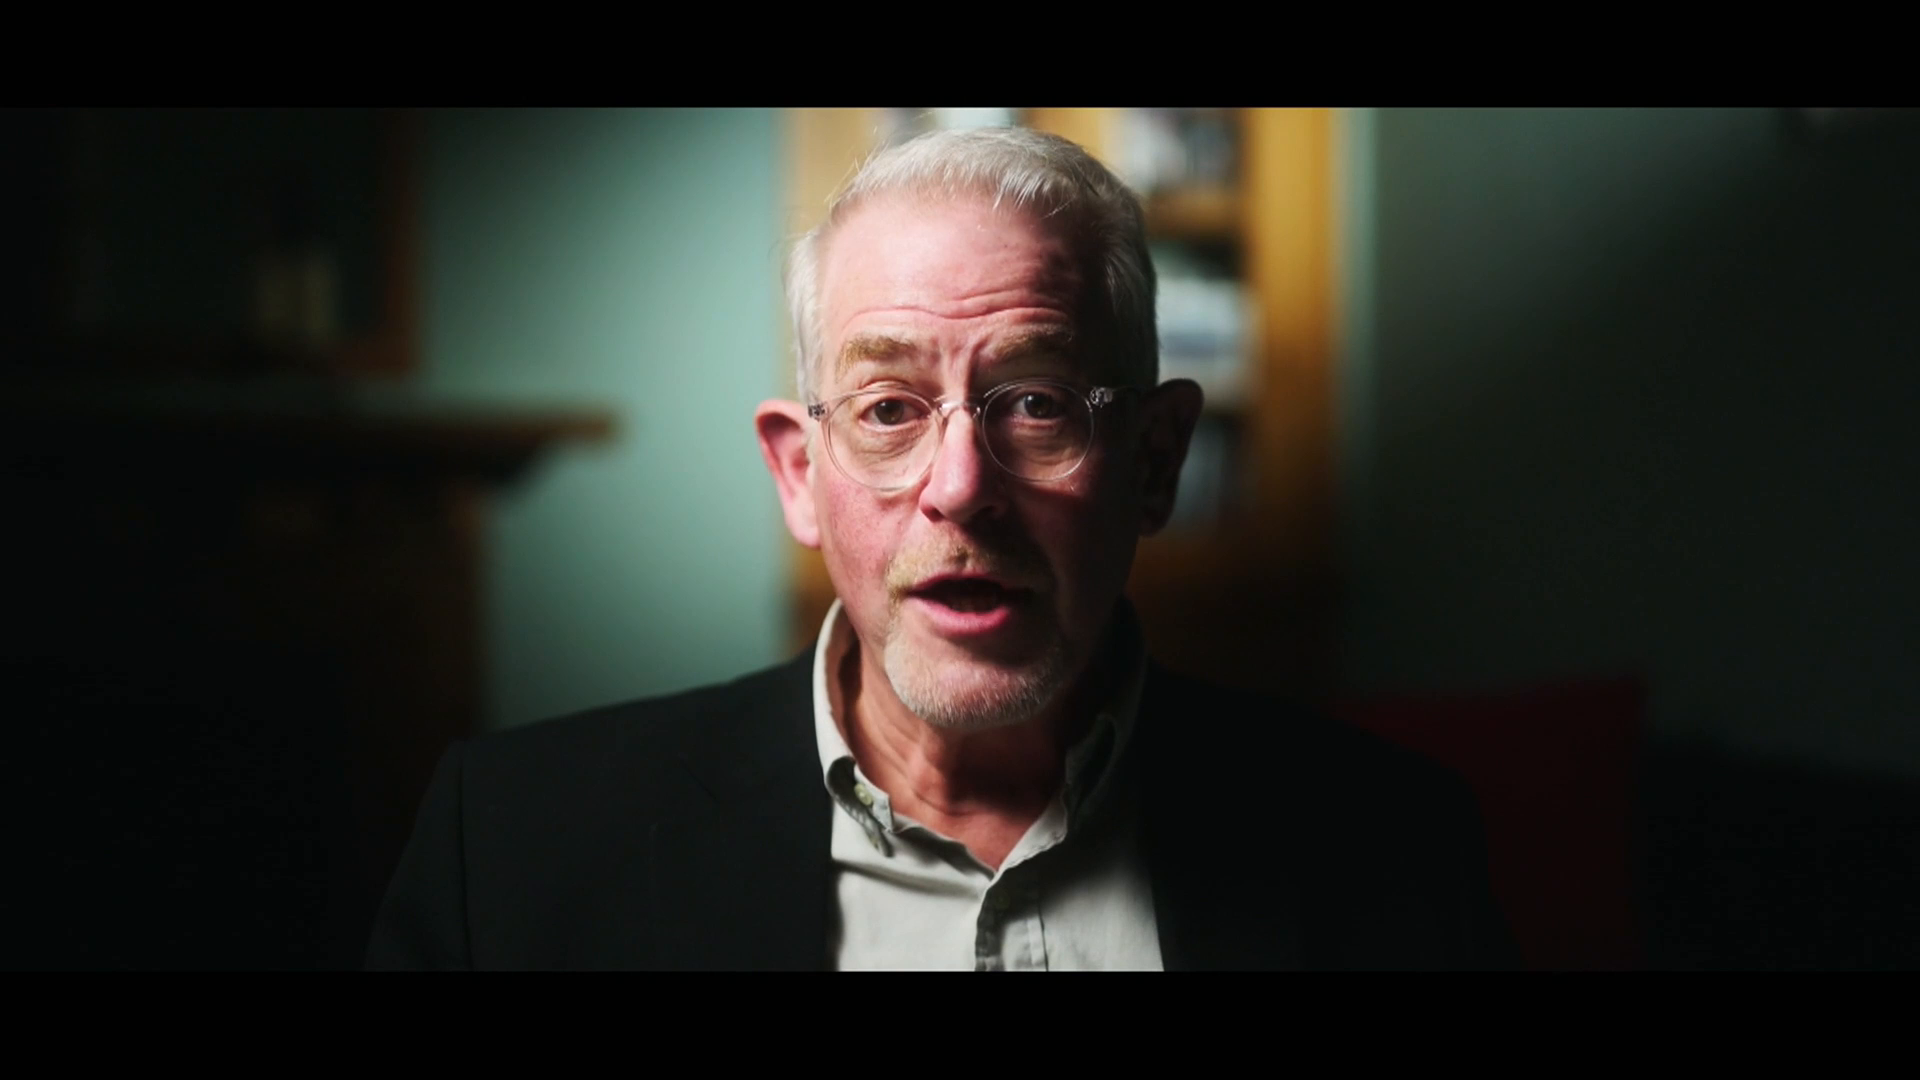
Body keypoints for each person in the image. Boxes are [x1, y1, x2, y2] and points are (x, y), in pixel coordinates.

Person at [366, 125, 1517, 971]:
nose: (961, 490)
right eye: (888, 409)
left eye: (1038, 403)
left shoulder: (1395, 850)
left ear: (1156, 460)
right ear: (799, 473)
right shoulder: (510, 852)